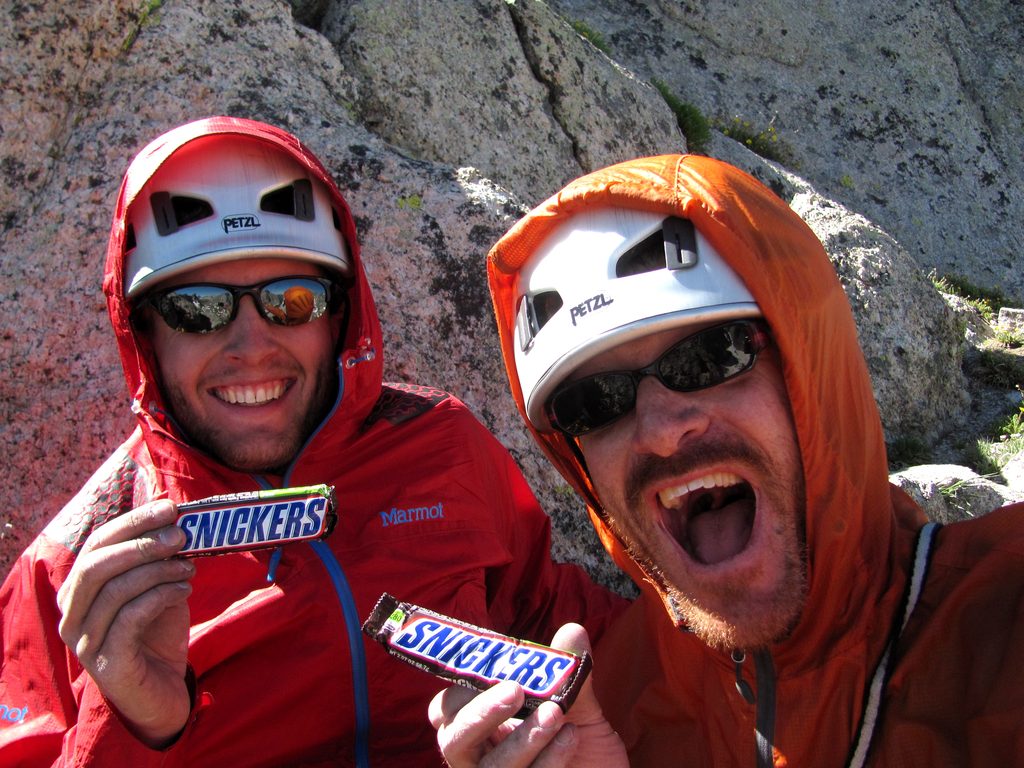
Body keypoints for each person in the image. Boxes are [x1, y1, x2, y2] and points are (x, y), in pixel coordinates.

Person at [0, 116, 626, 767]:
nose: (250, 348)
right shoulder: (77, 564)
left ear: (339, 316)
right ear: (144, 334)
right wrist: (137, 724)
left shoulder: (440, 445)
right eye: (197, 308)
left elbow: (556, 617)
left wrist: (716, 644)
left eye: (291, 301)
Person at [430, 154, 1024, 766]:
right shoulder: (608, 708)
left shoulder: (1003, 620)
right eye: (594, 402)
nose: (660, 431)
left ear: (810, 370)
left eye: (711, 357)